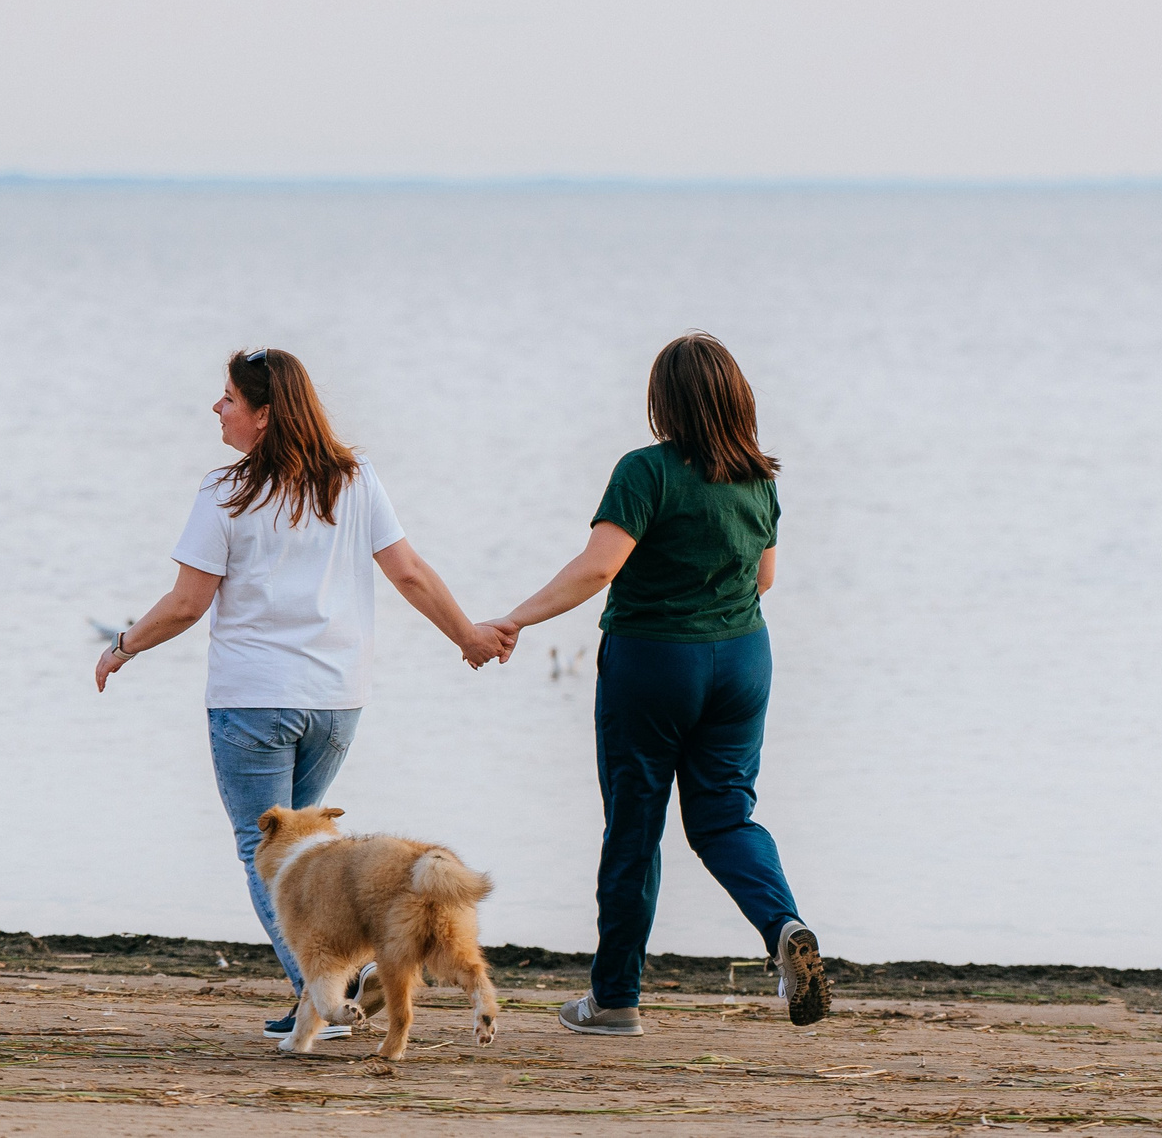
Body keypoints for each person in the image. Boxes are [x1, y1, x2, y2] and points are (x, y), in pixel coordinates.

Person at [95, 346, 508, 1040]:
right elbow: (407, 572)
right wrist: (465, 634)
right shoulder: (355, 478)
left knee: (266, 857)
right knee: (311, 854)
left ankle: (321, 995)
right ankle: (328, 988)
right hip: (336, 702)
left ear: (262, 415)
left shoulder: (224, 491)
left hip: (253, 700)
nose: (216, 408)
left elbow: (187, 603)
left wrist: (121, 646)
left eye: (228, 398)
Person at [485, 331, 828, 1036]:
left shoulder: (645, 472)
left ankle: (614, 1001)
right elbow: (764, 579)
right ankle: (783, 924)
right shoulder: (759, 477)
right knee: (725, 818)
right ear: (737, 398)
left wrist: (515, 618)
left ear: (662, 401)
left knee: (635, 828)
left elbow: (596, 568)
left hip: (653, 664)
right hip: (741, 662)